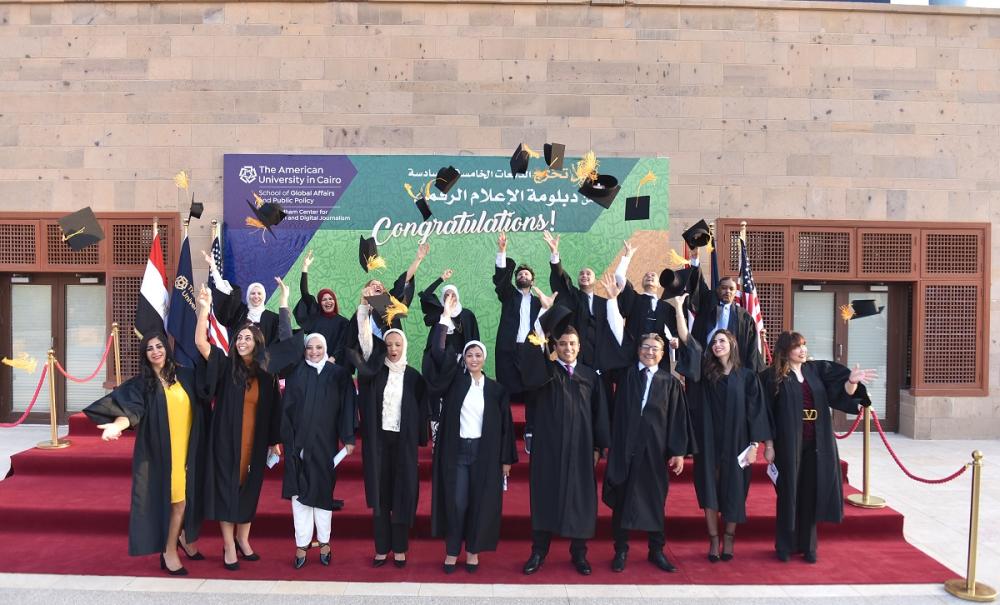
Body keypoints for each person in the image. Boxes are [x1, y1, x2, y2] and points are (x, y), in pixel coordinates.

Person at [84, 333, 209, 576]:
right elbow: (130, 409)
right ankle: (169, 550)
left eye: (159, 346)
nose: (155, 351)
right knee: (178, 502)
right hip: (162, 451)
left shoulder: (184, 375)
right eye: (150, 348)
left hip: (188, 448)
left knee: (188, 497)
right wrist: (117, 426)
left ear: (167, 349)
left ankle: (182, 538)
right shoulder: (142, 383)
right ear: (145, 354)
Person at [600, 275, 694, 574]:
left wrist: (678, 451)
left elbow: (678, 419)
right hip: (626, 446)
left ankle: (656, 550)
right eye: (645, 348)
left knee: (655, 499)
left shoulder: (670, 383)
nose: (649, 352)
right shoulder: (627, 375)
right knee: (623, 499)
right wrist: (613, 300)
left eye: (655, 349)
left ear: (663, 353)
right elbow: (616, 330)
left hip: (655, 450)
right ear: (638, 351)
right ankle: (621, 550)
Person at [761, 331, 875, 563]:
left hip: (817, 442)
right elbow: (765, 412)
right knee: (788, 494)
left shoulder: (815, 371)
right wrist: (769, 445)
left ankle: (808, 546)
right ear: (785, 350)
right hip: (787, 442)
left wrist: (851, 382)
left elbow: (839, 395)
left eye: (804, 345)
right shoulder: (771, 377)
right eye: (797, 346)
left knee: (810, 494)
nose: (803, 350)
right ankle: (785, 546)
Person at [195, 280, 285, 571]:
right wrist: (204, 309)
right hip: (226, 439)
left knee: (250, 488)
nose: (242, 341)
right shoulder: (223, 364)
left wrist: (274, 441)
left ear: (257, 343)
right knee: (227, 488)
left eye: (248, 338)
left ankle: (244, 540)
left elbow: (273, 411)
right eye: (240, 337)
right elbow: (200, 343)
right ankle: (229, 544)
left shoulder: (266, 374)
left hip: (254, 441)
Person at [519, 291, 610, 577]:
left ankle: (579, 553)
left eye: (572, 344)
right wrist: (544, 321)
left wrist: (598, 446)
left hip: (581, 448)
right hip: (550, 447)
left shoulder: (589, 376)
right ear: (555, 346)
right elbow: (532, 355)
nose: (568, 348)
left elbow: (600, 413)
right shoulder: (546, 372)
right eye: (563, 344)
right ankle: (538, 552)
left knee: (581, 500)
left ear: (579, 347)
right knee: (545, 496)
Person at [426, 295, 517, 574]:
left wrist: (506, 460)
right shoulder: (454, 382)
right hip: (457, 452)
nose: (474, 359)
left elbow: (506, 427)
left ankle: (474, 551)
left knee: (479, 502)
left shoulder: (495, 390)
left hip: (485, 454)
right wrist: (444, 317)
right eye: (469, 355)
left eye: (478, 355)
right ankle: (453, 551)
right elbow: (438, 354)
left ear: (483, 358)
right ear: (463, 358)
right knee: (458, 502)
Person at [346, 285, 429, 568]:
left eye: (398, 345)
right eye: (390, 344)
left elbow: (421, 409)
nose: (393, 349)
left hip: (403, 444)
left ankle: (401, 548)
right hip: (379, 443)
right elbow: (365, 337)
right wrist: (365, 302)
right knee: (381, 497)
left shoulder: (414, 376)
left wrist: (420, 438)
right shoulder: (374, 370)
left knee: (403, 495)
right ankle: (382, 548)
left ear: (405, 346)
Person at [682, 330, 772, 563]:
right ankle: (713, 539)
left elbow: (756, 412)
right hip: (709, 442)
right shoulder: (706, 374)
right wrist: (681, 313)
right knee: (710, 488)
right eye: (713, 342)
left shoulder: (748, 377)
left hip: (738, 442)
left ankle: (729, 537)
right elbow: (690, 346)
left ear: (732, 344)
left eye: (722, 341)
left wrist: (755, 445)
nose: (717, 345)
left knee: (736, 489)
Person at [275, 327, 357, 569]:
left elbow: (347, 407)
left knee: (322, 495)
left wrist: (349, 437)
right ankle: (301, 545)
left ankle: (324, 543)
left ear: (326, 349)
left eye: (318, 347)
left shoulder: (338, 374)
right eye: (309, 347)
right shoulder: (296, 373)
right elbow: (287, 409)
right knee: (299, 496)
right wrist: (286, 440)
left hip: (325, 444)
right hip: (298, 444)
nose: (313, 351)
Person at [544, 231, 629, 395]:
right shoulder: (572, 297)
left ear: (595, 280)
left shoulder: (607, 303)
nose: (584, 275)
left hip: (602, 362)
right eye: (581, 274)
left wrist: (626, 258)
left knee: (602, 404)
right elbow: (561, 279)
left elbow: (617, 325)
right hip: (578, 359)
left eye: (588, 273)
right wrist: (555, 254)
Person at [687, 246, 765, 372]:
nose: (727, 291)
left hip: (734, 368)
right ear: (717, 289)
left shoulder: (744, 317)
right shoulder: (708, 305)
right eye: (723, 288)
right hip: (707, 364)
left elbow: (752, 348)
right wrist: (695, 261)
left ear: (736, 292)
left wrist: (752, 374)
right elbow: (698, 286)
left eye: (731, 289)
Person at [345, 242, 429, 355]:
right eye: (373, 284)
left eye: (380, 285)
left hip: (390, 356)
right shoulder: (359, 315)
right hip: (369, 361)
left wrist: (418, 259)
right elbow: (350, 343)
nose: (377, 285)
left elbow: (403, 282)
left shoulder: (389, 305)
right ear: (366, 290)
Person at [613, 241, 683, 369]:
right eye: (646, 275)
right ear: (642, 282)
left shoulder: (668, 308)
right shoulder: (634, 299)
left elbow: (674, 333)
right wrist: (628, 255)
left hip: (660, 364)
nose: (649, 276)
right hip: (633, 359)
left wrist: (675, 342)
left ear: (658, 284)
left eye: (653, 275)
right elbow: (619, 277)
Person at [493, 231, 542, 400]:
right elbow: (501, 280)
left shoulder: (538, 302)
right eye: (520, 274)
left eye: (526, 274)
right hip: (509, 349)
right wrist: (502, 251)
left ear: (532, 281)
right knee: (508, 393)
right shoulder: (509, 295)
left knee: (532, 394)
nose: (523, 275)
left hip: (531, 350)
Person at [202, 250, 280, 345]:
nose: (256, 296)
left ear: (264, 296)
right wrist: (214, 269)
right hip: (238, 357)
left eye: (259, 293)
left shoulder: (273, 318)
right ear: (248, 296)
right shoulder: (240, 312)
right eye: (253, 293)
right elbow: (227, 293)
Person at [293, 249, 348, 365]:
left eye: (330, 298)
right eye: (324, 299)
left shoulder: (343, 322)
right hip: (312, 364)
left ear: (335, 301)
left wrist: (333, 358)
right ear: (319, 302)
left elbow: (343, 344)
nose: (328, 301)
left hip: (333, 366)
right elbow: (305, 292)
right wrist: (305, 268)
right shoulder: (314, 317)